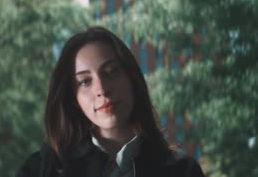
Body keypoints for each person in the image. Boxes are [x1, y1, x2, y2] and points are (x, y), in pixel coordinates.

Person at [17, 26, 205, 177]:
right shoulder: (43, 168)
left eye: (111, 71)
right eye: (85, 81)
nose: (102, 90)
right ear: (74, 100)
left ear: (132, 78)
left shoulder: (183, 171)